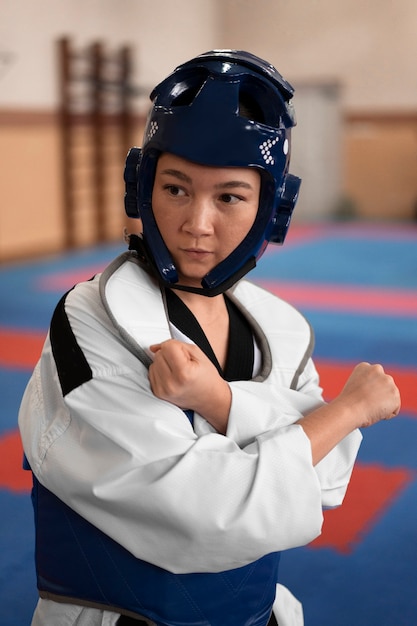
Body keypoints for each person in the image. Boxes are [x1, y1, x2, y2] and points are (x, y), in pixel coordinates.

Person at [18, 50, 400, 626]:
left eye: (228, 197)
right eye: (175, 189)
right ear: (141, 188)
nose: (197, 223)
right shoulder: (93, 318)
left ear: (269, 209)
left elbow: (326, 481)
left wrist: (217, 403)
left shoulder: (283, 330)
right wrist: (346, 411)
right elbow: (205, 513)